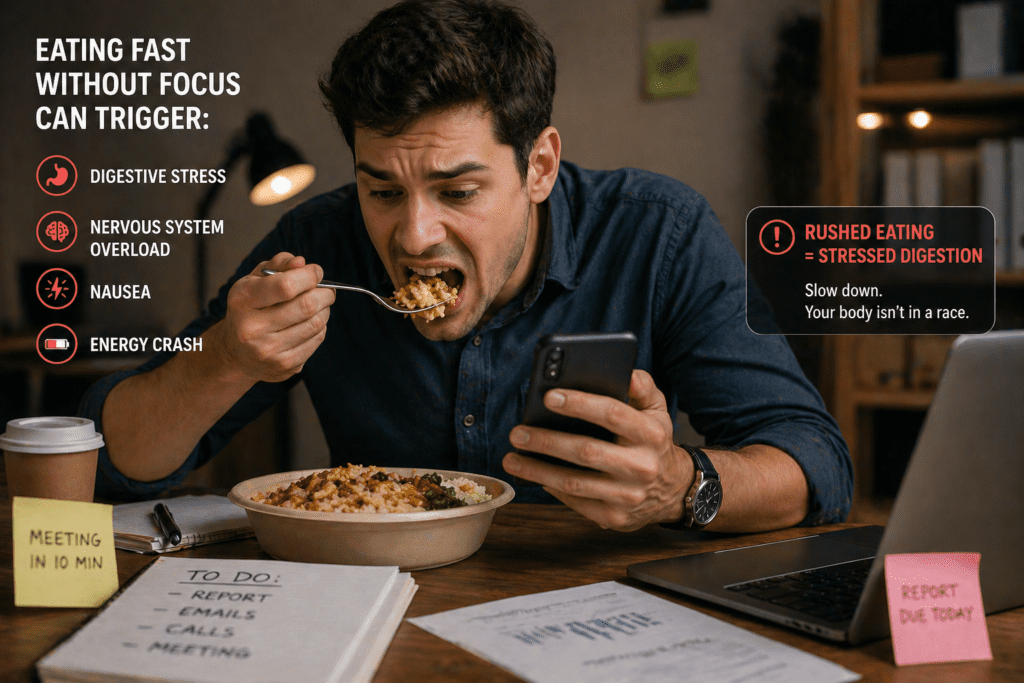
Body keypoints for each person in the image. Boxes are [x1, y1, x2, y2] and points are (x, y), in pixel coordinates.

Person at [80, 0, 851, 533]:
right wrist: (221, 358)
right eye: (383, 190)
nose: (415, 237)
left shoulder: (658, 233)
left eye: (458, 191)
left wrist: (682, 486)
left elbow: (815, 462)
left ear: (538, 167)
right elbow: (113, 465)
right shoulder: (318, 243)